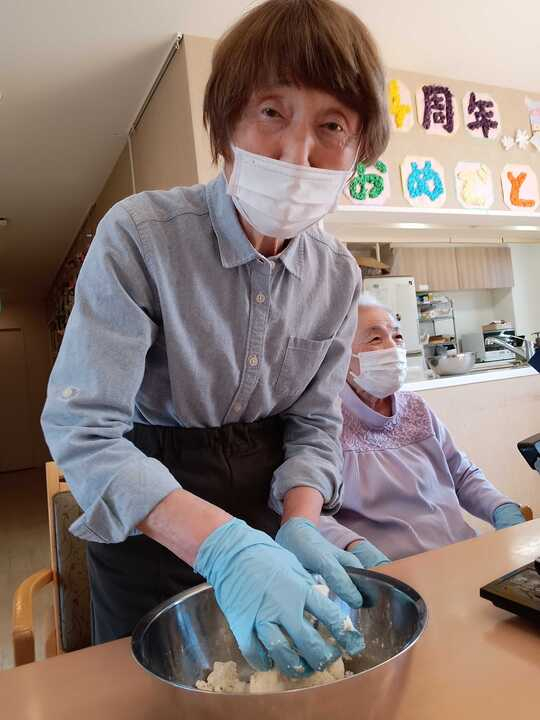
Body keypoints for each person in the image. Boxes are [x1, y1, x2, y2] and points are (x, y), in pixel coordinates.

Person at [40, 0, 390, 678]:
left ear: (359, 150)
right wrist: (223, 547)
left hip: (269, 515)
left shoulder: (338, 276)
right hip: (151, 517)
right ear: (226, 123)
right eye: (271, 112)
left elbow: (315, 424)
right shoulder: (140, 237)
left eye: (332, 126)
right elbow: (82, 429)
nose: (297, 153)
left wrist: (302, 519)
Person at [319, 295, 527, 561]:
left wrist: (501, 508)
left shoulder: (415, 407)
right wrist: (353, 546)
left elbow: (461, 474)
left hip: (460, 553)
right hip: (391, 571)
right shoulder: (325, 422)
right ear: (341, 354)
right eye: (375, 339)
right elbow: (309, 513)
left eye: (397, 336)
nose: (392, 347)